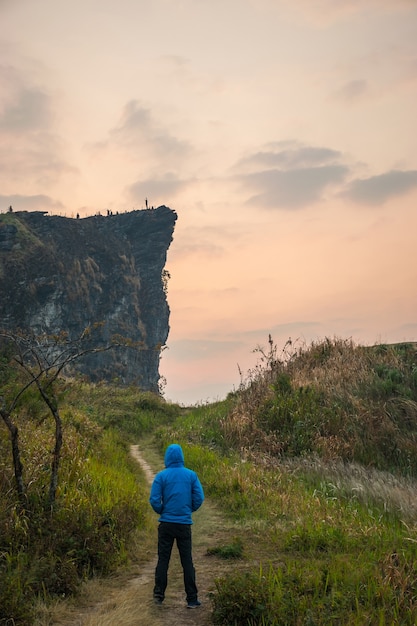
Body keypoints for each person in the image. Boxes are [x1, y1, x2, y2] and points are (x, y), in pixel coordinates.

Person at [149, 443, 204, 608]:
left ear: (167, 457)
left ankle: (158, 596)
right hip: (184, 525)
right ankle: (192, 599)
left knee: (163, 560)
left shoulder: (161, 476)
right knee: (187, 561)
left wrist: (162, 511)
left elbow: (154, 499)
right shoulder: (191, 475)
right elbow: (199, 497)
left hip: (166, 524)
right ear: (181, 457)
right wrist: (188, 509)